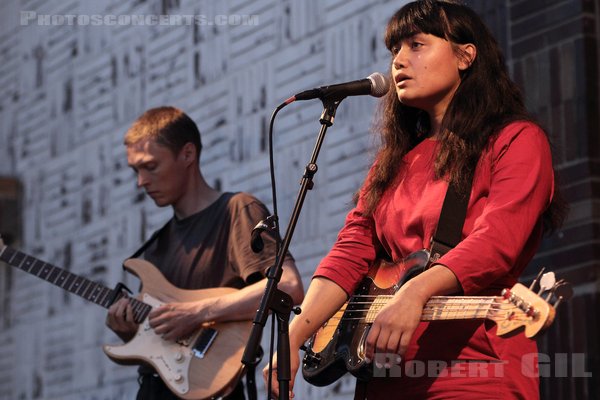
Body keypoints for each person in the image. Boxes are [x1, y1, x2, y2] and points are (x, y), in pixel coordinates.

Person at [264, 1, 566, 399]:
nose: (399, 61)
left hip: (476, 370)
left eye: (416, 45)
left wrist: (415, 292)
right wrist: (292, 337)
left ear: (465, 55)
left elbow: (498, 240)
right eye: (394, 50)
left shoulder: (515, 140)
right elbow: (350, 252)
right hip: (383, 374)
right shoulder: (395, 163)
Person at [105, 106, 304, 400]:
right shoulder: (157, 245)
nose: (141, 182)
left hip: (218, 388)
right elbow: (167, 342)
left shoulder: (237, 210)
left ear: (187, 154)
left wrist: (198, 312)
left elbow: (289, 286)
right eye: (136, 170)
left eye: (150, 166)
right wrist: (130, 333)